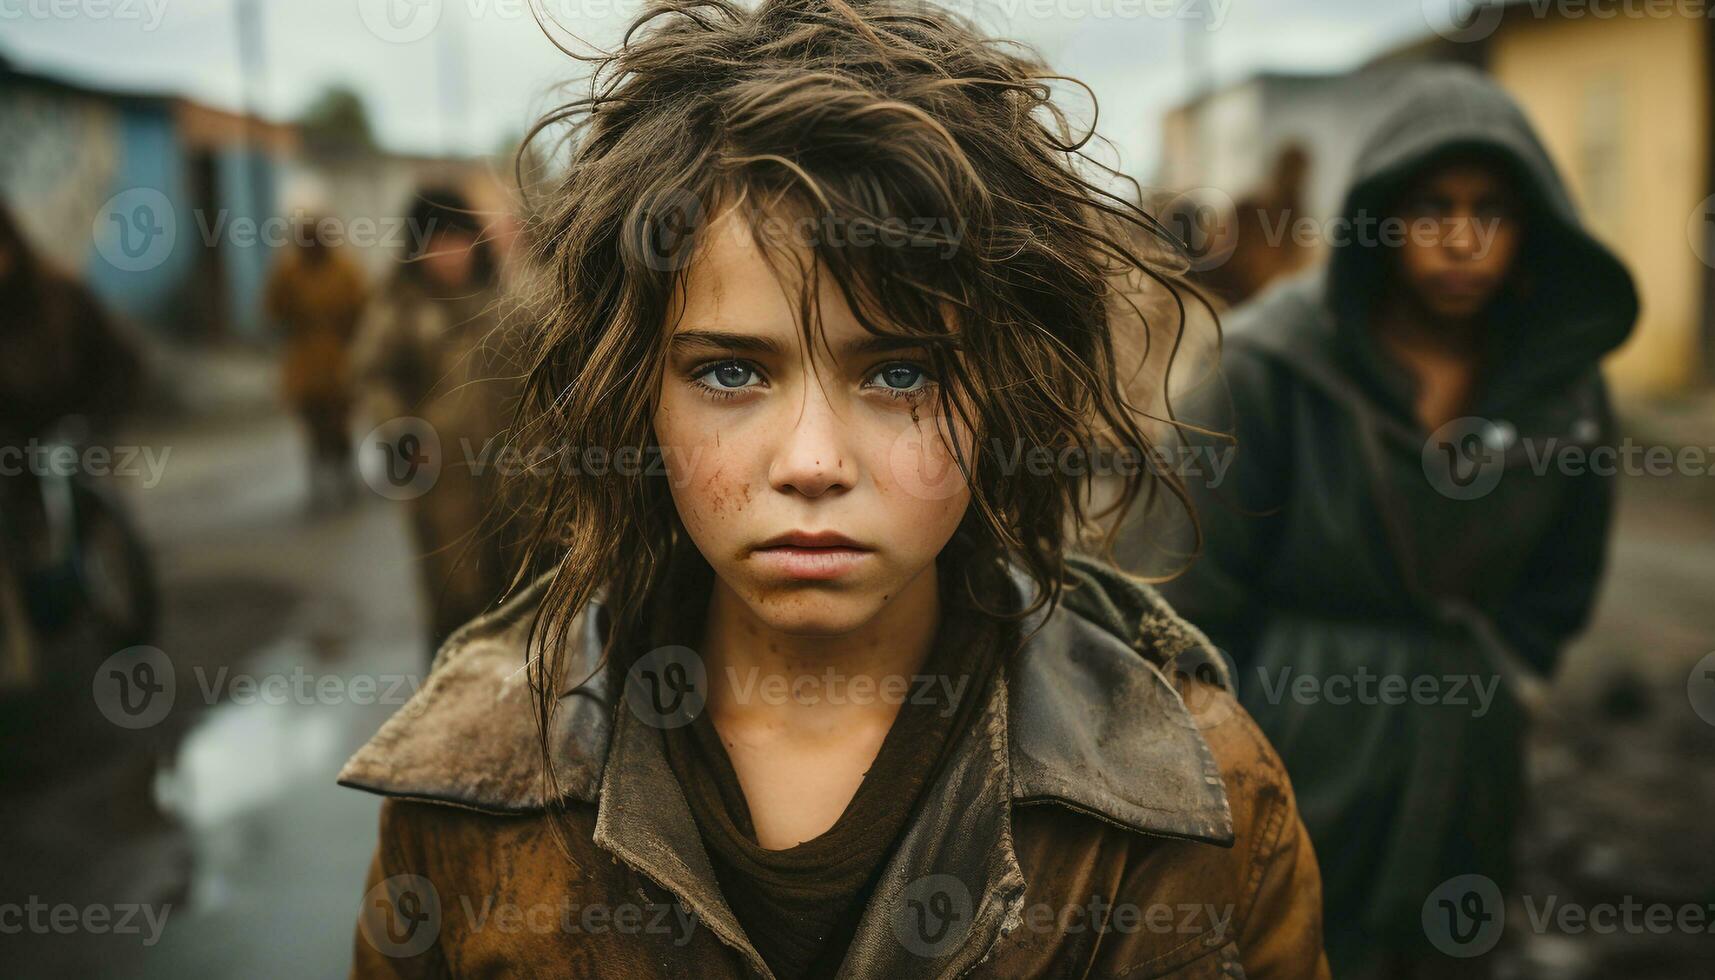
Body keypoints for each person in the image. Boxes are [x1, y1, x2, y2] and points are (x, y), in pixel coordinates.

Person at [337, 1, 1330, 977]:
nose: (811, 460)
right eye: (730, 371)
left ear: (1000, 390)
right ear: (635, 394)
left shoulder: (1192, 798)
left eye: (899, 372)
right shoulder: (472, 787)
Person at [1142, 65, 1639, 978]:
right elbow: (1190, 588)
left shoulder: (1560, 392)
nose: (1460, 239)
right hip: (1293, 731)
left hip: (1467, 750)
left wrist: (1505, 677)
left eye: (1489, 209)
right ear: (1379, 218)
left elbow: (1562, 579)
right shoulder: (1272, 367)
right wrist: (1227, 756)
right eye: (1430, 207)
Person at [350, 186, 522, 654]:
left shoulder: (503, 304)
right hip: (440, 481)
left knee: (515, 595)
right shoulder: (401, 308)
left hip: (510, 476)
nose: (448, 254)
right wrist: (403, 434)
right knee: (454, 598)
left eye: (458, 239)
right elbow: (374, 377)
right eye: (436, 242)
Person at [265, 217, 369, 510]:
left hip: (339, 358)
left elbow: (363, 305)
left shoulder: (345, 268)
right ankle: (319, 483)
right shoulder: (288, 271)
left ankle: (344, 476)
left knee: (340, 424)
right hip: (305, 361)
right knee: (313, 425)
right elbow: (273, 308)